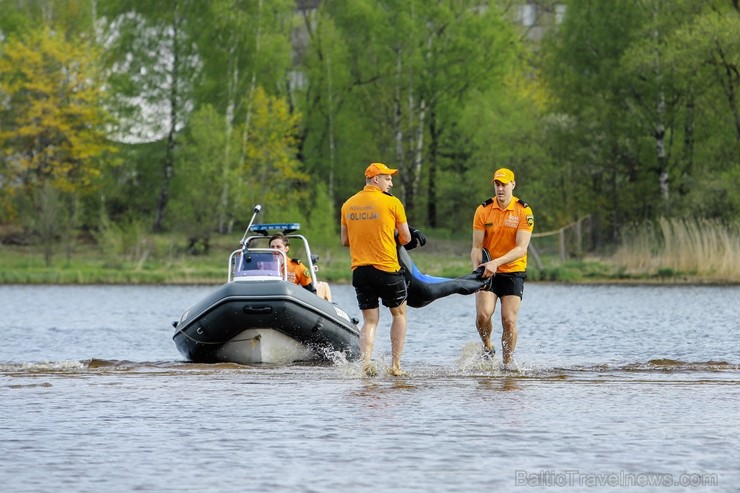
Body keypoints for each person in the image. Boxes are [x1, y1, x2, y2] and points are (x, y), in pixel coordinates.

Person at [340, 162, 425, 377]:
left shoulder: (348, 204)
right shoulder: (392, 202)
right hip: (387, 269)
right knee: (399, 314)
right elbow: (405, 238)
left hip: (360, 271)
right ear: (376, 179)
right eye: (388, 178)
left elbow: (345, 240)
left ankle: (365, 364)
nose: (391, 183)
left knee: (370, 320)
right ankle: (395, 366)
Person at [471, 167, 534, 369]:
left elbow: (521, 249)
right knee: (482, 315)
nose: (500, 189)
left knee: (508, 320)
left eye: (504, 185)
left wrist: (496, 263)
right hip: (488, 272)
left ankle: (507, 365)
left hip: (513, 270)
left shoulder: (524, 211)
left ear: (513, 185)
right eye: (497, 185)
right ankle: (488, 347)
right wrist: (477, 272)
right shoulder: (483, 210)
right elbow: (476, 247)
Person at [269, 233, 331, 301]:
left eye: (278, 247)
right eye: (272, 247)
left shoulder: (296, 266)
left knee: (322, 286)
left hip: (290, 299)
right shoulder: (261, 266)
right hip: (271, 298)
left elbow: (310, 291)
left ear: (286, 248)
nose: (275, 250)